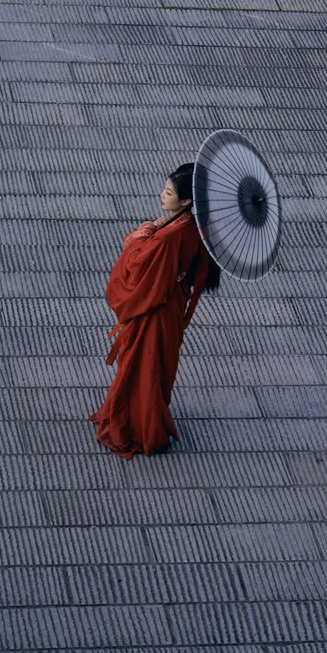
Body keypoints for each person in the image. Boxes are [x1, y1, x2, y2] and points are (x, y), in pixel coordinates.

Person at [89, 163, 220, 459]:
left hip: (154, 310)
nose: (162, 194)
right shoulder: (194, 225)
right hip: (171, 305)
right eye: (165, 188)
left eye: (169, 192)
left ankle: (135, 430)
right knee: (153, 369)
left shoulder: (167, 236)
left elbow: (136, 268)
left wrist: (140, 234)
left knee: (141, 368)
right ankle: (146, 422)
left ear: (186, 201)